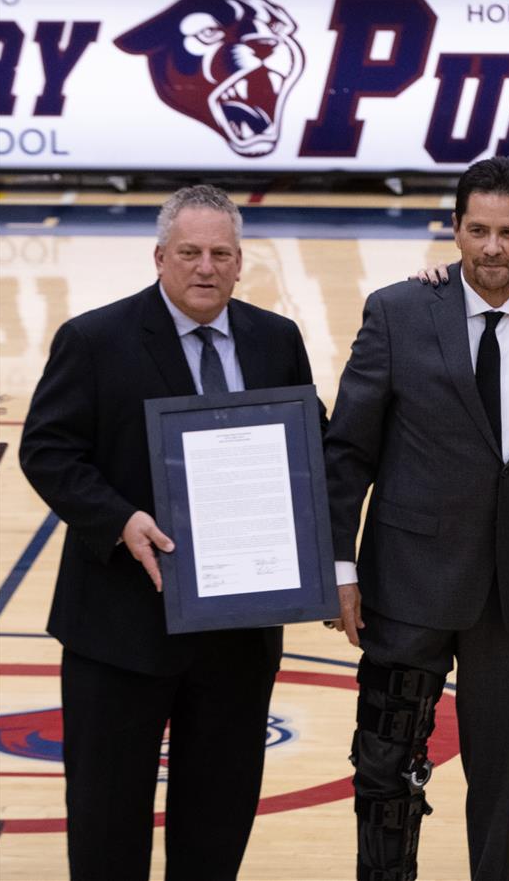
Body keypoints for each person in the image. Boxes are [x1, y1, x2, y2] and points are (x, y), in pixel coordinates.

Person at [19, 184, 327, 880]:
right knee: (106, 829)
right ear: (160, 256)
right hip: (119, 631)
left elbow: (310, 454)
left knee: (216, 826)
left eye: (221, 253)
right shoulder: (95, 339)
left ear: (242, 262)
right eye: (189, 252)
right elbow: (47, 450)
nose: (205, 267)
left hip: (238, 635)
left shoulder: (275, 341)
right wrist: (119, 519)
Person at [325, 156, 509, 881]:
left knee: (499, 772)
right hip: (408, 579)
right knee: (384, 764)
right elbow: (348, 449)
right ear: (455, 229)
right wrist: (339, 566)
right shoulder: (398, 309)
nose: (491, 248)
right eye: (477, 229)